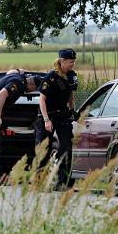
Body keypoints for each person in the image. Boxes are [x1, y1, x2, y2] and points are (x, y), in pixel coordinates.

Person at [0, 71, 40, 184]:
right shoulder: (18, 83)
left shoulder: (18, 76)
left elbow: (11, 71)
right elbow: (1, 95)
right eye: (33, 89)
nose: (31, 91)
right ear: (32, 85)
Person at [36, 48, 78, 189]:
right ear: (62, 61)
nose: (73, 64)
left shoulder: (72, 75)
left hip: (63, 115)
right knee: (44, 149)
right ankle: (39, 181)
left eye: (74, 62)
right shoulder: (51, 77)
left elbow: (70, 94)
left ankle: (62, 181)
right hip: (48, 115)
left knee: (66, 146)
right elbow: (42, 99)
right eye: (71, 62)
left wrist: (72, 109)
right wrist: (47, 120)